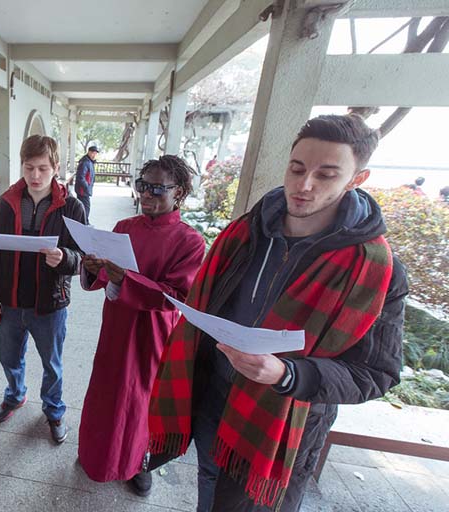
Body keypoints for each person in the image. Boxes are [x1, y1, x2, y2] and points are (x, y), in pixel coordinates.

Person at [147, 114, 408, 512]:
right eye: (297, 169)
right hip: (213, 397)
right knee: (210, 489)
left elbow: (376, 372)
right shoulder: (245, 233)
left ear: (357, 179)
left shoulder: (373, 269)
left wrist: (288, 375)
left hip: (281, 424)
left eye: (326, 175)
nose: (304, 186)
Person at [78, 154, 205, 496]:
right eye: (142, 186)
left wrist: (129, 279)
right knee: (106, 392)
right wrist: (93, 267)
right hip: (116, 326)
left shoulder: (189, 241)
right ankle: (94, 454)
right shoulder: (125, 228)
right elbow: (105, 276)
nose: (146, 195)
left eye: (156, 189)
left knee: (139, 400)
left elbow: (177, 296)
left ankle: (137, 462)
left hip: (151, 333)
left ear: (178, 192)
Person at [0, 135, 86, 443]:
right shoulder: (7, 203)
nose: (35, 176)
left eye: (42, 168)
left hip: (50, 303)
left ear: (55, 167)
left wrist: (64, 257)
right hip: (11, 301)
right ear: (22, 166)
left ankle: (54, 410)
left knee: (51, 364)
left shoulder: (71, 207)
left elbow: (84, 256)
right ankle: (15, 395)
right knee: (9, 358)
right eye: (29, 168)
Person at [75, 145, 98, 221]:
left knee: (84, 207)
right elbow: (81, 177)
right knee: (85, 207)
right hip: (83, 190)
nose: (94, 155)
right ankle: (84, 222)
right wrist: (87, 188)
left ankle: (83, 221)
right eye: (93, 153)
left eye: (95, 153)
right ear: (89, 152)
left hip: (84, 190)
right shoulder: (85, 162)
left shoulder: (89, 161)